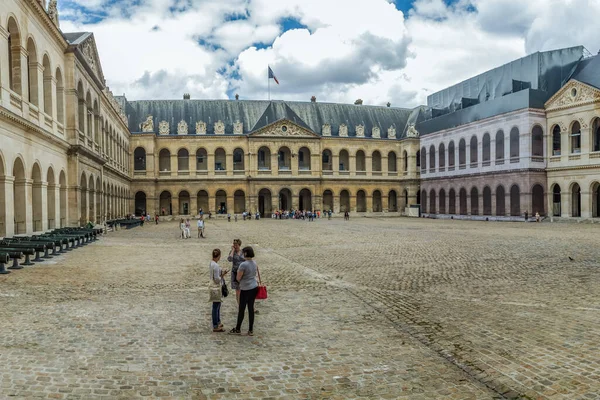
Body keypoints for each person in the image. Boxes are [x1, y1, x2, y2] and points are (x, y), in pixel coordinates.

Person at [229, 246, 259, 336]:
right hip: (254, 287)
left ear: (246, 253)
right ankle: (250, 330)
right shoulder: (254, 262)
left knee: (241, 309)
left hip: (246, 288)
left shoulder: (243, 265)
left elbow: (238, 278)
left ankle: (238, 328)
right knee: (250, 308)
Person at [209, 249, 228, 332]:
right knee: (216, 306)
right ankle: (215, 325)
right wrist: (223, 275)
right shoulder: (215, 266)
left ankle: (218, 321)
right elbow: (217, 279)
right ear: (219, 256)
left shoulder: (211, 263)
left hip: (213, 286)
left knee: (217, 305)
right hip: (216, 287)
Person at [228, 239, 245, 305]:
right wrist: (232, 250)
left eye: (236, 245)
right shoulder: (232, 252)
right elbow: (229, 259)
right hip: (235, 272)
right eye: (234, 244)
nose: (235, 246)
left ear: (239, 245)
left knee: (244, 289)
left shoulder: (243, 252)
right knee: (237, 290)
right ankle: (239, 305)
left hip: (242, 273)